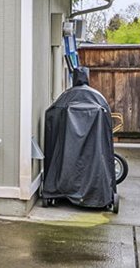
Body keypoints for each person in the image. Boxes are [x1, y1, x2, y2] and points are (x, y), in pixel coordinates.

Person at [39, 67, 120, 211]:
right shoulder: (98, 98)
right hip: (94, 154)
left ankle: (59, 190)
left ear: (74, 78)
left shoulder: (66, 97)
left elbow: (51, 115)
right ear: (87, 78)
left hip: (66, 153)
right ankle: (97, 195)